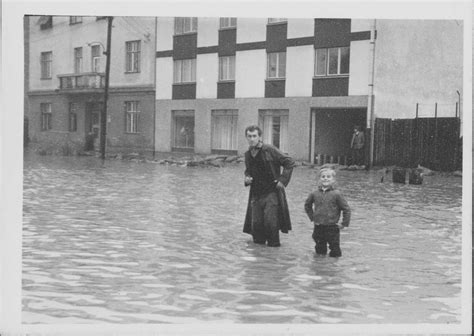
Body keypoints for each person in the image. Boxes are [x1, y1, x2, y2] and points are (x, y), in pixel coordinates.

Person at [243, 125, 296, 247]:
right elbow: (248, 171)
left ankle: (273, 256)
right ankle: (260, 259)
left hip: (271, 193)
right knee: (256, 226)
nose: (252, 139)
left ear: (260, 137)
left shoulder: (270, 149)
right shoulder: (247, 154)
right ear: (246, 137)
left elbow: (289, 162)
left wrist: (282, 180)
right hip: (256, 195)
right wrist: (247, 178)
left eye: (254, 136)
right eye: (249, 136)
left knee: (271, 225)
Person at [304, 167, 351, 257]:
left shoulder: (337, 194)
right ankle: (321, 266)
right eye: (323, 176)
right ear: (319, 179)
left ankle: (333, 267)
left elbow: (346, 209)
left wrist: (344, 224)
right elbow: (307, 205)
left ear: (333, 180)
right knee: (319, 249)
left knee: (335, 250)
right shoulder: (314, 193)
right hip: (318, 226)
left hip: (332, 227)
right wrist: (312, 217)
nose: (325, 178)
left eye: (328, 177)